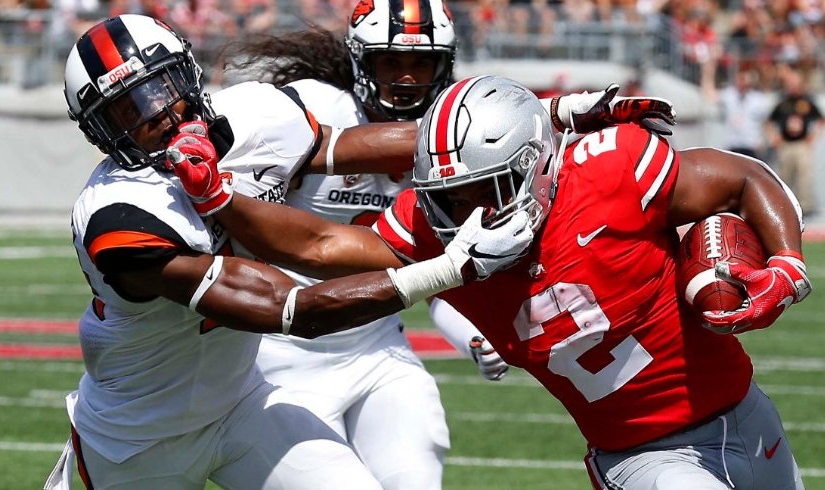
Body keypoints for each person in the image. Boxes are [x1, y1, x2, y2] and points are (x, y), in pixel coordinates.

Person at [177, 76, 810, 489]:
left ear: (537, 167)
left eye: (484, 190)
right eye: (448, 197)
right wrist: (219, 199)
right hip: (644, 456)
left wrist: (786, 266)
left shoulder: (609, 171)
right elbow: (319, 245)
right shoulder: (435, 233)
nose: (467, 216)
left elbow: (742, 177)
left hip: (747, 412)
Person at [46, 15, 533, 490]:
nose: (158, 114)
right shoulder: (118, 216)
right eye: (128, 110)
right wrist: (450, 268)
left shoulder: (253, 116)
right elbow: (290, 309)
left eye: (161, 87)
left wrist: (544, 122)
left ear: (188, 74)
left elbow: (344, 157)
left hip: (243, 403)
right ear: (100, 130)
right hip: (137, 440)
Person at [219, 2, 676, 487]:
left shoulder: (461, 121)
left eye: (423, 63)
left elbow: (450, 264)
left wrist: (470, 336)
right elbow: (348, 166)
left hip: (377, 346)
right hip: (284, 355)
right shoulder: (316, 107)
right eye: (391, 62)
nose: (408, 78)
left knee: (416, 473)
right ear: (360, 59)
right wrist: (549, 112)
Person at [765, 71, 825, 217]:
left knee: (804, 177)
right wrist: (774, 137)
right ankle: (784, 206)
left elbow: (821, 120)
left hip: (801, 144)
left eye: (796, 85)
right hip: (786, 144)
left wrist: (813, 137)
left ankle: (805, 208)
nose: (794, 88)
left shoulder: (806, 102)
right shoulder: (783, 103)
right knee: (785, 177)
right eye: (791, 85)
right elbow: (769, 122)